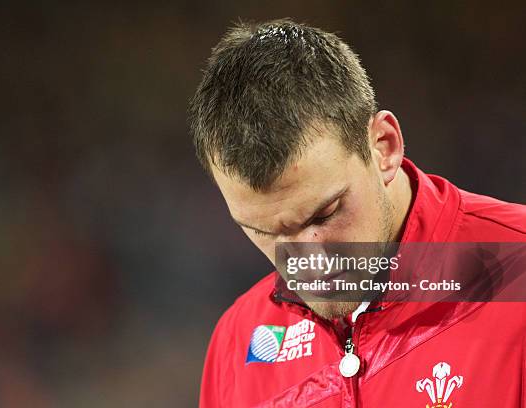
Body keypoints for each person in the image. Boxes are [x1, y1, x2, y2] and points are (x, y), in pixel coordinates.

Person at [189, 19, 526, 407]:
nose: (305, 262)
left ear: (384, 147)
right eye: (264, 231)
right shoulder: (238, 342)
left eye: (323, 215)